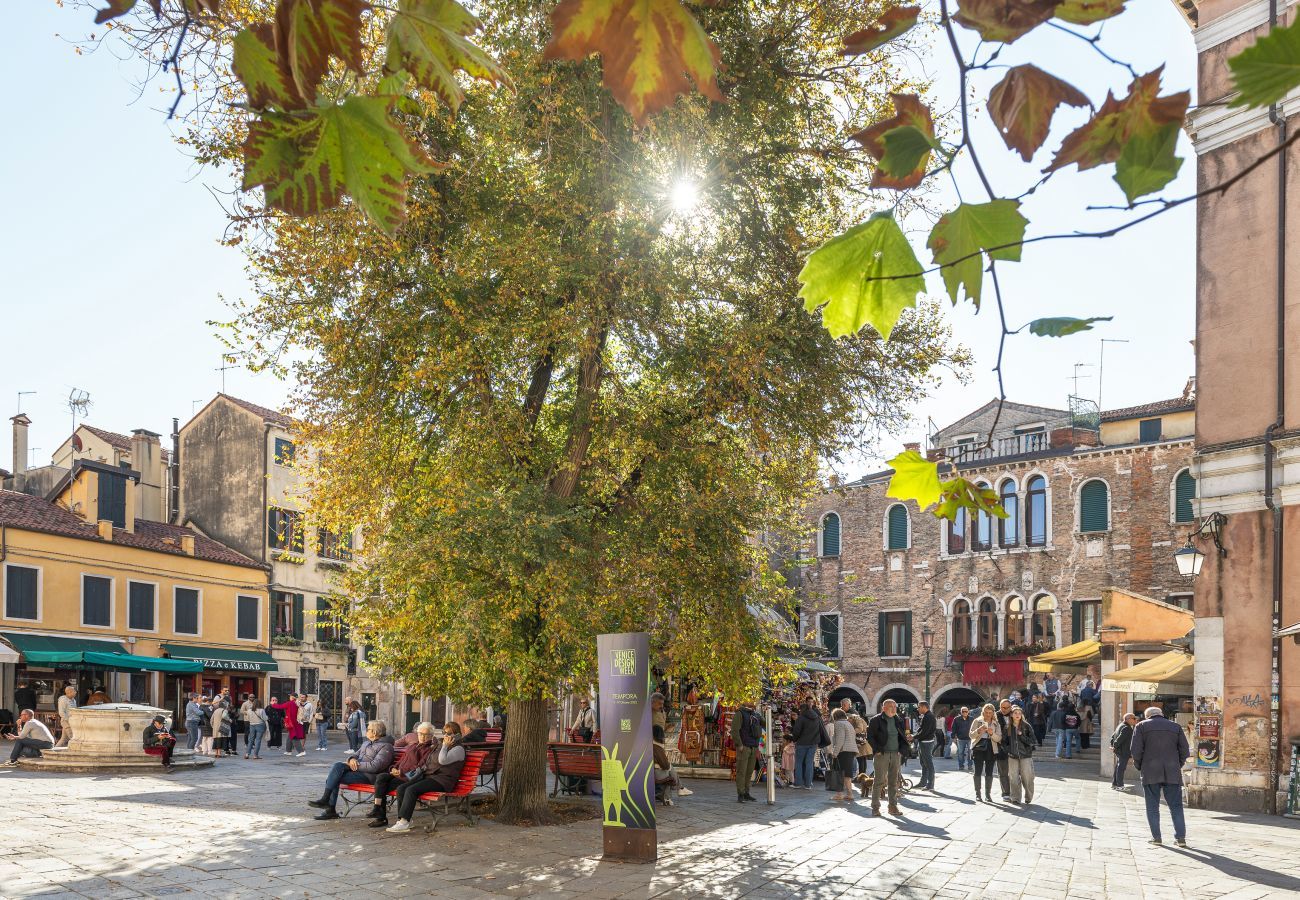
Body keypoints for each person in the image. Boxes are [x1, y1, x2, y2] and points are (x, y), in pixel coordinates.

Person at [387, 721, 468, 833]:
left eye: (449, 733)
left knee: (411, 790)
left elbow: (442, 760)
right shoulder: (440, 745)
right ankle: (403, 820)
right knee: (402, 788)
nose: (446, 735)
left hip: (443, 781)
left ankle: (404, 822)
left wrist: (445, 745)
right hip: (431, 776)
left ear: (457, 734)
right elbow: (430, 760)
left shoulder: (458, 749)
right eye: (444, 732)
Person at [309, 720, 395, 820]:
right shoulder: (366, 743)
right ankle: (327, 802)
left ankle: (328, 806)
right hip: (357, 772)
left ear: (375, 732)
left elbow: (375, 766)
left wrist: (356, 765)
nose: (366, 731)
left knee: (334, 777)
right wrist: (351, 759)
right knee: (337, 767)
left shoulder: (386, 746)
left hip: (369, 776)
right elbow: (355, 755)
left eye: (368, 729)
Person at [1131, 706, 1189, 846]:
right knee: (1176, 806)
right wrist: (1177, 764)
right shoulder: (1175, 727)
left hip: (1150, 770)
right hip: (1172, 771)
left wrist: (1140, 766)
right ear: (1161, 714)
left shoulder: (1141, 726)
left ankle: (1156, 838)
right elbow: (1185, 750)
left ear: (1147, 716)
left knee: (1152, 806)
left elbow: (1135, 750)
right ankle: (1180, 838)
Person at [368, 722, 441, 828]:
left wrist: (401, 772)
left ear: (431, 736)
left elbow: (420, 767)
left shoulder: (429, 750)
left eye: (426, 735)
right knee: (381, 778)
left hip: (409, 777)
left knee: (386, 788)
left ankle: (396, 819)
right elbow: (401, 761)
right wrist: (393, 768)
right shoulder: (413, 746)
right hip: (398, 774)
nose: (423, 737)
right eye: (420, 734)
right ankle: (377, 809)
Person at [867, 699, 909, 816]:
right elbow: (870, 736)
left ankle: (893, 806)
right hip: (882, 754)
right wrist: (877, 750)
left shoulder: (898, 720)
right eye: (890, 706)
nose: (893, 708)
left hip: (895, 754)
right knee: (879, 781)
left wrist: (901, 750)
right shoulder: (876, 720)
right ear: (883, 708)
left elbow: (902, 736)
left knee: (893, 782)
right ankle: (875, 807)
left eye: (895, 706)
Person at [730, 700, 763, 802]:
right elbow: (734, 730)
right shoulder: (739, 714)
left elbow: (765, 723)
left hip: (753, 746)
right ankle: (741, 793)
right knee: (741, 771)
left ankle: (746, 792)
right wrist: (739, 745)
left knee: (749, 772)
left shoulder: (755, 714)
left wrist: (763, 712)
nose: (753, 701)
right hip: (744, 746)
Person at [969, 703, 1001, 803]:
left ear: (993, 713)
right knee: (977, 771)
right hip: (978, 747)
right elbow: (971, 735)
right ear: (983, 712)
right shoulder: (977, 721)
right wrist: (979, 730)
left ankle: (988, 794)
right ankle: (978, 794)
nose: (988, 715)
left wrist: (992, 733)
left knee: (989, 772)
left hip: (991, 748)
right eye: (986, 712)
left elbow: (999, 738)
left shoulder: (996, 723)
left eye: (990, 713)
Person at [789, 701, 823, 790]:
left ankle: (798, 783)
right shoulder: (816, 717)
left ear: (802, 709)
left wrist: (794, 739)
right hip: (813, 743)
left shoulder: (801, 718)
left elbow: (796, 731)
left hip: (802, 743)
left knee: (799, 763)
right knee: (809, 763)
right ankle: (808, 784)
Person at [1005, 706, 1036, 804]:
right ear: (1011, 715)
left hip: (1025, 756)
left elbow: (1032, 741)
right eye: (1015, 713)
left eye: (1019, 713)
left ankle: (1028, 797)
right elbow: (1004, 742)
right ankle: (1015, 798)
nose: (1017, 715)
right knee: (1013, 778)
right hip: (1012, 756)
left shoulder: (1026, 726)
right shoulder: (1007, 727)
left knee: (1027, 777)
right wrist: (1008, 750)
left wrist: (1021, 735)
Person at [827, 708, 856, 802]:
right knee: (847, 773)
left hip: (843, 751)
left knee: (840, 773)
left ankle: (840, 794)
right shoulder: (848, 723)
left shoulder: (839, 724)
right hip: (851, 750)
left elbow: (840, 740)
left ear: (835, 716)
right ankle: (849, 794)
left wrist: (835, 753)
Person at [652, 725, 681, 806]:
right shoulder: (657, 747)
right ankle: (678, 789)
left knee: (670, 770)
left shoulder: (649, 745)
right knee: (669, 771)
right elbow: (665, 765)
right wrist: (668, 766)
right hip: (657, 773)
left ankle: (679, 789)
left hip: (652, 772)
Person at [1111, 712, 1137, 790]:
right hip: (1123, 751)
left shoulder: (1121, 725)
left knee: (1118, 767)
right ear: (1128, 719)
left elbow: (1113, 736)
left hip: (1120, 751)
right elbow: (1119, 739)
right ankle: (1120, 785)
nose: (1135, 720)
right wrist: (1114, 746)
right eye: (1134, 718)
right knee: (1121, 768)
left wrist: (1113, 746)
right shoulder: (1127, 728)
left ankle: (1115, 784)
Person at [994, 699, 1014, 801]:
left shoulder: (1015, 714)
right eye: (1002, 707)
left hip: (1014, 747)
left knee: (1015, 772)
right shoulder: (995, 716)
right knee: (1003, 772)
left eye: (1007, 708)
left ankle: (1015, 792)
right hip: (1000, 747)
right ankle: (1005, 793)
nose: (1004, 710)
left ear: (1010, 707)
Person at [915, 701, 936, 791]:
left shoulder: (929, 716)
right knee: (923, 763)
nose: (918, 709)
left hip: (926, 742)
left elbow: (924, 732)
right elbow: (921, 729)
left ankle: (930, 784)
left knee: (928, 763)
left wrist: (914, 737)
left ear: (924, 707)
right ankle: (923, 782)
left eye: (919, 707)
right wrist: (914, 735)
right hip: (923, 742)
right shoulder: (926, 716)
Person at [951, 706, 973, 771]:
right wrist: (953, 737)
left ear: (968, 712)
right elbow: (953, 728)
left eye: (966, 711)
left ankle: (970, 765)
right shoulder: (956, 719)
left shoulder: (971, 719)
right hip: (960, 738)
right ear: (961, 712)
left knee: (970, 752)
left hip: (970, 738)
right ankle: (961, 766)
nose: (965, 713)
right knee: (960, 753)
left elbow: (974, 728)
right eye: (963, 711)